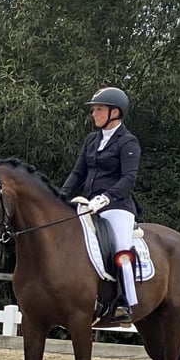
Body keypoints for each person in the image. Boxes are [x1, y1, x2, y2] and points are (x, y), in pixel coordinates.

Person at [60, 86, 141, 323]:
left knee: (121, 250)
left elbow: (129, 179)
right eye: (94, 109)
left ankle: (124, 302)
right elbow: (78, 172)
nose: (93, 114)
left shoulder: (128, 142)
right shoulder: (92, 140)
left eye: (98, 109)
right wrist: (61, 195)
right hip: (86, 204)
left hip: (117, 206)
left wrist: (105, 197)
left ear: (114, 112)